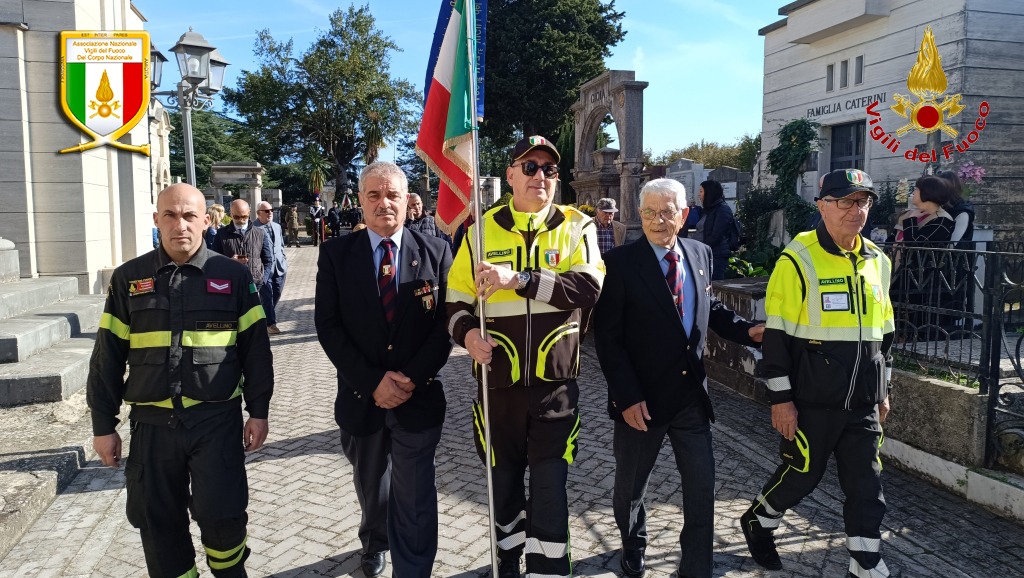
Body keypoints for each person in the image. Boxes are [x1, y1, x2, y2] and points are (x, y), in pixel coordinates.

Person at [86, 183, 273, 578]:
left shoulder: (234, 277)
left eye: (189, 216)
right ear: (157, 221)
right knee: (157, 523)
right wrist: (103, 425)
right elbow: (107, 357)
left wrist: (259, 411)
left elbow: (256, 351)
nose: (180, 225)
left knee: (222, 518)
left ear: (206, 221)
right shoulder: (128, 279)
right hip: (152, 427)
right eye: (170, 215)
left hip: (215, 423)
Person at [446, 135, 605, 578]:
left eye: (549, 169)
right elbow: (455, 301)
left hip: (555, 389)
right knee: (504, 486)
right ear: (510, 174)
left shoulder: (579, 226)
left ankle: (549, 570)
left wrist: (521, 279)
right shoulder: (480, 231)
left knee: (551, 488)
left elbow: (588, 289)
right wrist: (467, 333)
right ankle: (507, 561)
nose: (541, 176)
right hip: (496, 386)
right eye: (530, 167)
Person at [594, 178, 763, 578]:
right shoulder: (620, 264)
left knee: (702, 490)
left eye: (666, 212)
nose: (656, 221)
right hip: (642, 402)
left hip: (691, 397)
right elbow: (609, 340)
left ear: (684, 215)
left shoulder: (699, 252)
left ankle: (695, 567)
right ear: (639, 214)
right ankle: (633, 543)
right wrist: (626, 396)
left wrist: (748, 330)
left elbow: (711, 305)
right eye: (648, 212)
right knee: (630, 491)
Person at [739, 168, 895, 578]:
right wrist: (781, 400)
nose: (856, 210)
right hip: (813, 400)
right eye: (845, 201)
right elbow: (777, 338)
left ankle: (866, 563)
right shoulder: (798, 259)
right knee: (801, 476)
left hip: (861, 401)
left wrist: (883, 390)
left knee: (867, 487)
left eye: (863, 201)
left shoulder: (878, 261)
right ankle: (759, 519)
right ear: (822, 206)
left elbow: (886, 334)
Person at [315, 161, 453, 578]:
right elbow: (329, 326)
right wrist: (373, 382)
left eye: (392, 194)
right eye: (374, 195)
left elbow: (447, 324)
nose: (384, 203)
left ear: (408, 200)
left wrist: (409, 379)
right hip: (362, 398)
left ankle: (412, 570)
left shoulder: (437, 251)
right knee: (372, 487)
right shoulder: (337, 254)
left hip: (418, 396)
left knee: (415, 495)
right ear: (360, 201)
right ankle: (375, 540)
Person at [213, 200, 274, 296]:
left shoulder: (260, 233)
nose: (241, 220)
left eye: (244, 217)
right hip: (231, 286)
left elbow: (268, 260)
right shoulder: (221, 234)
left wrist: (263, 280)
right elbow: (214, 261)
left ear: (249, 213)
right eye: (236, 217)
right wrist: (230, 262)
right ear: (231, 214)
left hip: (255, 286)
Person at [691, 179, 738, 280]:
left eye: (701, 191)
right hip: (703, 254)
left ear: (709, 192)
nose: (699, 195)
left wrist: (700, 249)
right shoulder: (708, 210)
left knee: (713, 287)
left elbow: (716, 236)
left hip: (715, 256)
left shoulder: (722, 209)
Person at [254, 201, 288, 335]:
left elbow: (281, 246)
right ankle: (270, 324)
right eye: (266, 211)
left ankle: (263, 317)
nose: (270, 213)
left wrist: (284, 260)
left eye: (271, 210)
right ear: (258, 214)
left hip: (280, 267)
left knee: (277, 293)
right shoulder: (253, 228)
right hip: (263, 269)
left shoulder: (277, 226)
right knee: (267, 296)